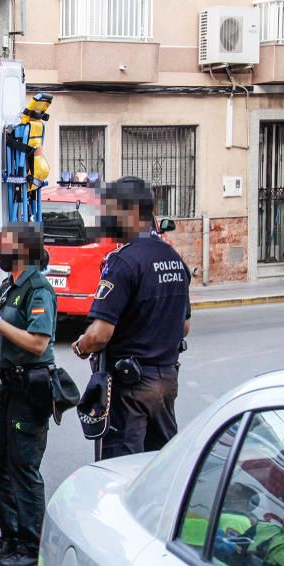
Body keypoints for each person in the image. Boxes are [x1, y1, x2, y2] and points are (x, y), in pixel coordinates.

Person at [72, 176, 191, 461]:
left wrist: (81, 345)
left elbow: (100, 334)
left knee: (121, 470)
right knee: (158, 466)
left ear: (133, 212)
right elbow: (184, 327)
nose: (106, 218)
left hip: (131, 389)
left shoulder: (123, 262)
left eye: (111, 210)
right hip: (165, 381)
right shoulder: (174, 258)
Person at [0, 222, 57, 566]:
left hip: (28, 388)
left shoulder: (38, 289)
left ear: (22, 249)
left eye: (4, 245)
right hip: (4, 385)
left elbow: (38, 342)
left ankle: (31, 544)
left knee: (23, 466)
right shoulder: (9, 285)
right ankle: (10, 534)